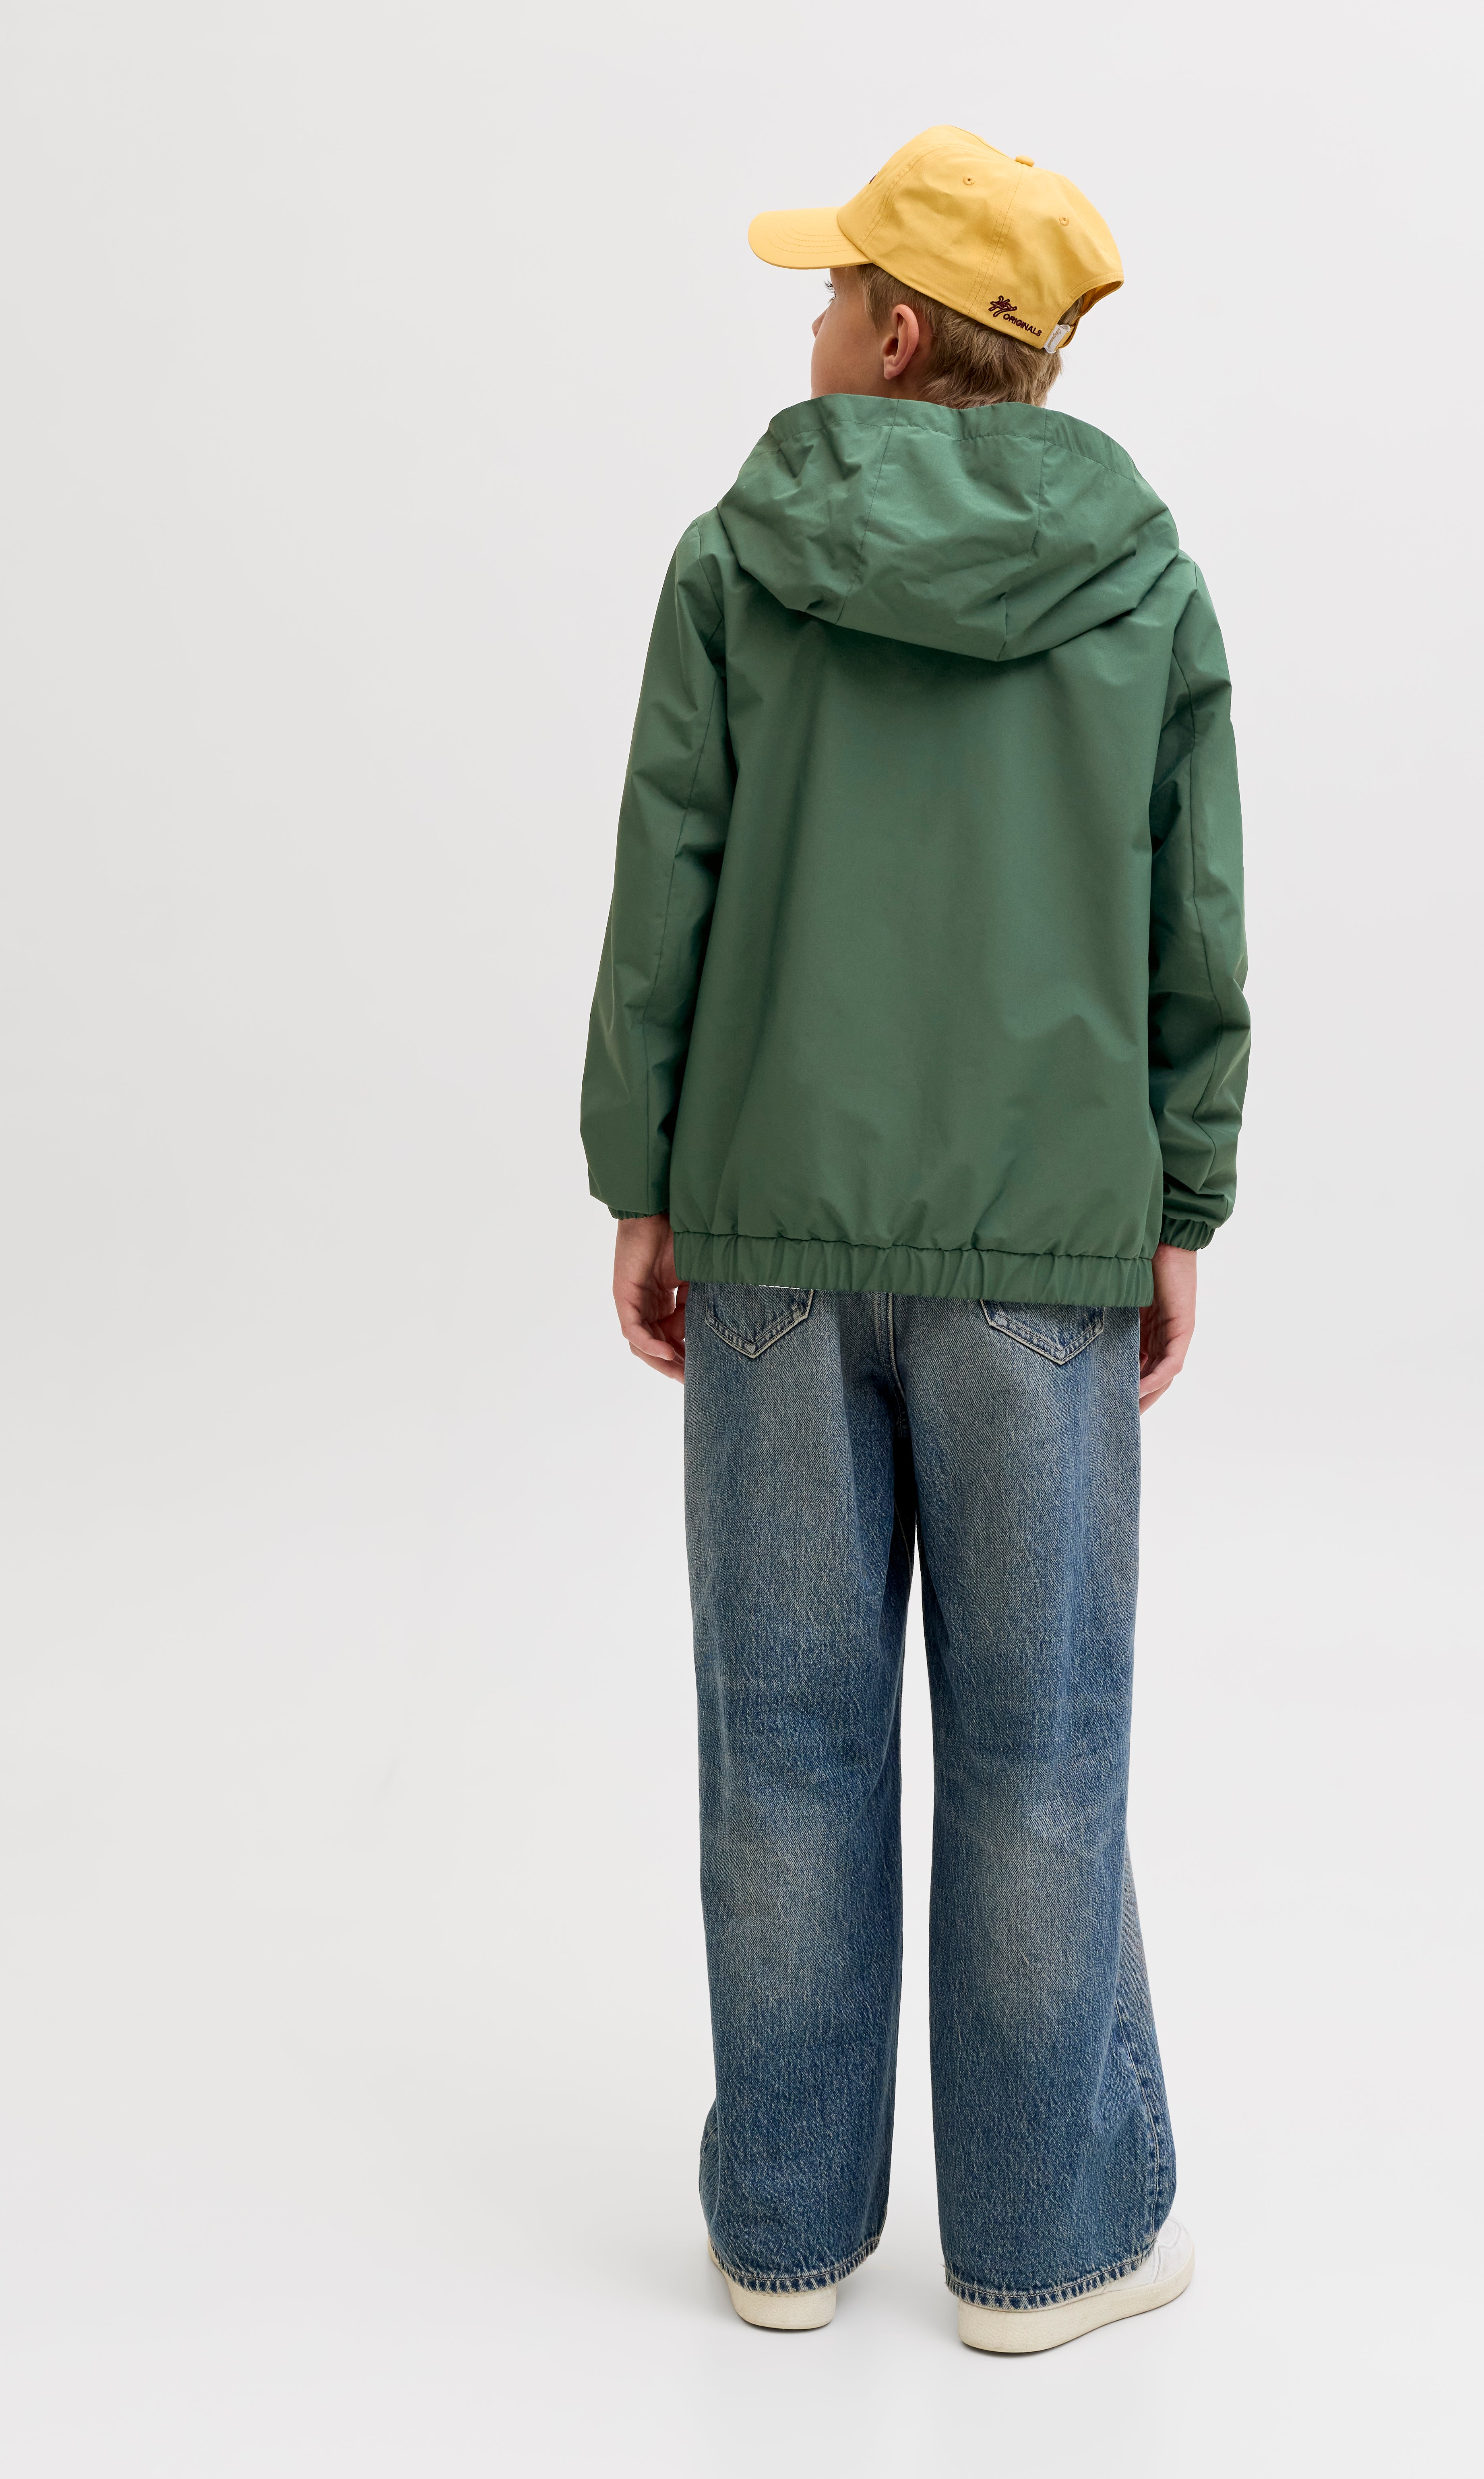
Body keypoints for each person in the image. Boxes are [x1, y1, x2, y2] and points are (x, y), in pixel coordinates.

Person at [581, 126, 1249, 2355]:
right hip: (1043, 1240)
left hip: (769, 1226)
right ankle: (1047, 2254)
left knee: (784, 1744)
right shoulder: (1145, 582)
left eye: (828, 290)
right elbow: (1194, 921)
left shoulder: (736, 559)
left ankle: (784, 2236)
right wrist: (1177, 1202)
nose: (805, 323)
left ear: (894, 334)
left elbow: (666, 881)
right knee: (1041, 1748)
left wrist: (648, 1178)